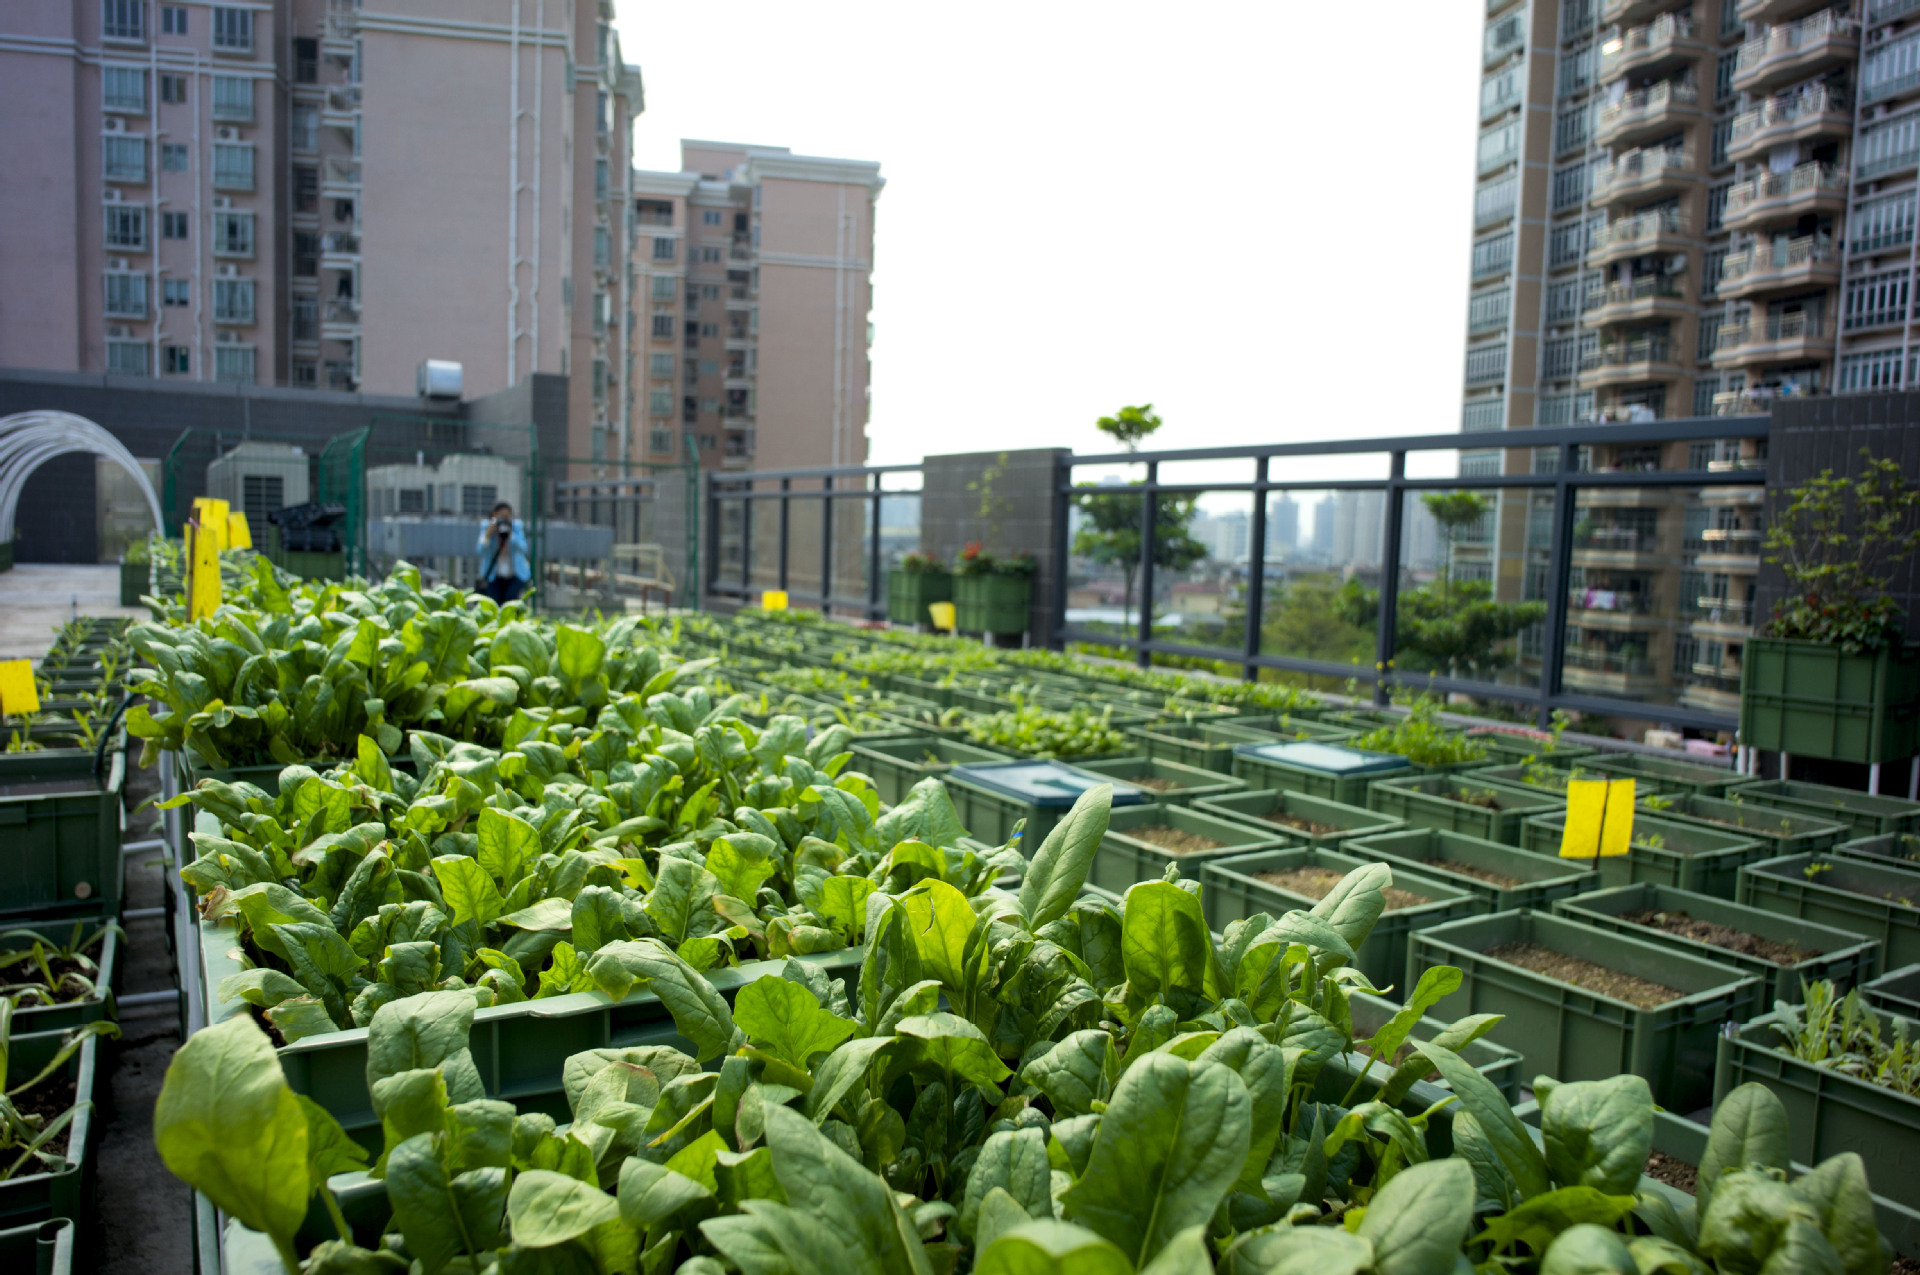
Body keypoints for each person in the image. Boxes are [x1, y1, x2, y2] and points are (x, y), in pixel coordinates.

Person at [476, 501, 530, 603]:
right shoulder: (487, 527)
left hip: (515, 574)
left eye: (506, 516)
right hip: (494, 575)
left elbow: (524, 548)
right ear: (494, 515)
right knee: (494, 602)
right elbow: (480, 550)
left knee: (511, 602)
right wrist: (488, 535)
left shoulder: (516, 527)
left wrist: (511, 535)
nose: (503, 519)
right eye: (501, 516)